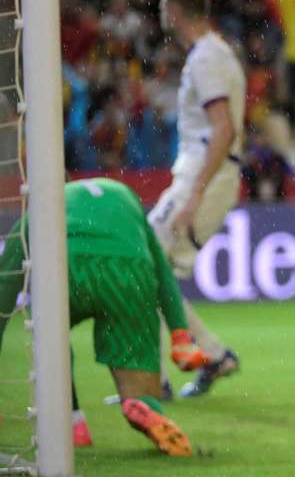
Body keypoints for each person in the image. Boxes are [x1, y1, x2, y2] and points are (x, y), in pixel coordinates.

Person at [0, 178, 209, 456]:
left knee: (51, 334)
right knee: (139, 375)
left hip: (68, 264)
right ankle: (143, 404)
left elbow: (6, 283)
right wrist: (180, 336)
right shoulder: (124, 193)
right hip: (130, 269)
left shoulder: (43, 203)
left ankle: (72, 422)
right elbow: (162, 271)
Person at [147, 0, 245, 398]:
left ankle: (156, 381)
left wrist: (197, 193)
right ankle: (211, 355)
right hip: (204, 173)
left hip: (204, 175)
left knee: (142, 261)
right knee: (153, 274)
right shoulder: (213, 53)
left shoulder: (206, 59)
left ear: (174, 12)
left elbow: (223, 129)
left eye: (162, 6)